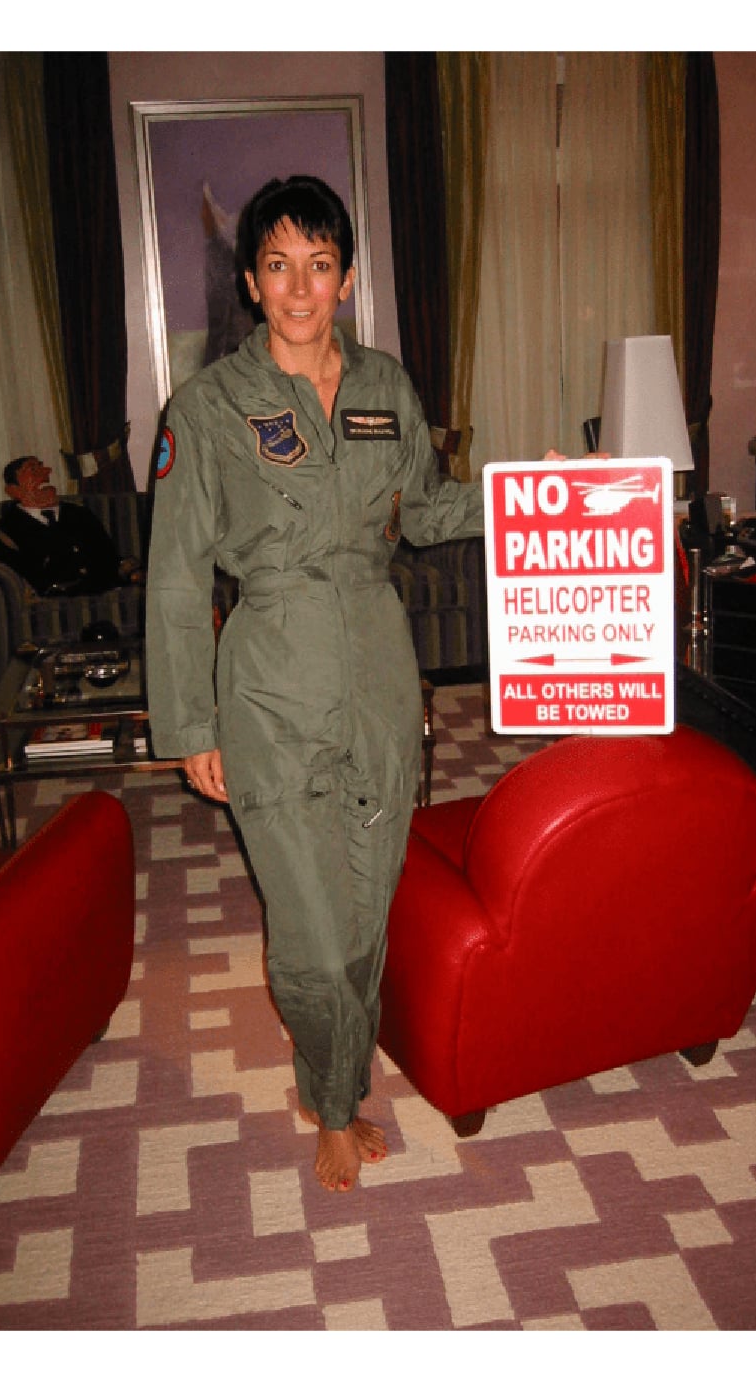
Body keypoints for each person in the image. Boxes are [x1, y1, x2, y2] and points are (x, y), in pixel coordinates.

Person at [147, 175, 499, 1195]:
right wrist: (190, 722)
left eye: (317, 264)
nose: (297, 286)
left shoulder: (389, 386)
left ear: (344, 278)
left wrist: (529, 492)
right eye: (275, 265)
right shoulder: (208, 406)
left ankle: (328, 1073)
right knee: (305, 922)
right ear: (252, 284)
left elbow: (426, 513)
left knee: (362, 910)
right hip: (265, 680)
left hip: (382, 676)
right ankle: (336, 1105)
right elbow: (176, 573)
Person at [0, 455, 142, 595]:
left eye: (43, 467)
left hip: (108, 585)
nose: (47, 471)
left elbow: (108, 557)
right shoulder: (5, 531)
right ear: (14, 491)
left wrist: (126, 570)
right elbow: (39, 578)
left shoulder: (80, 514)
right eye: (33, 470)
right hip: (66, 596)